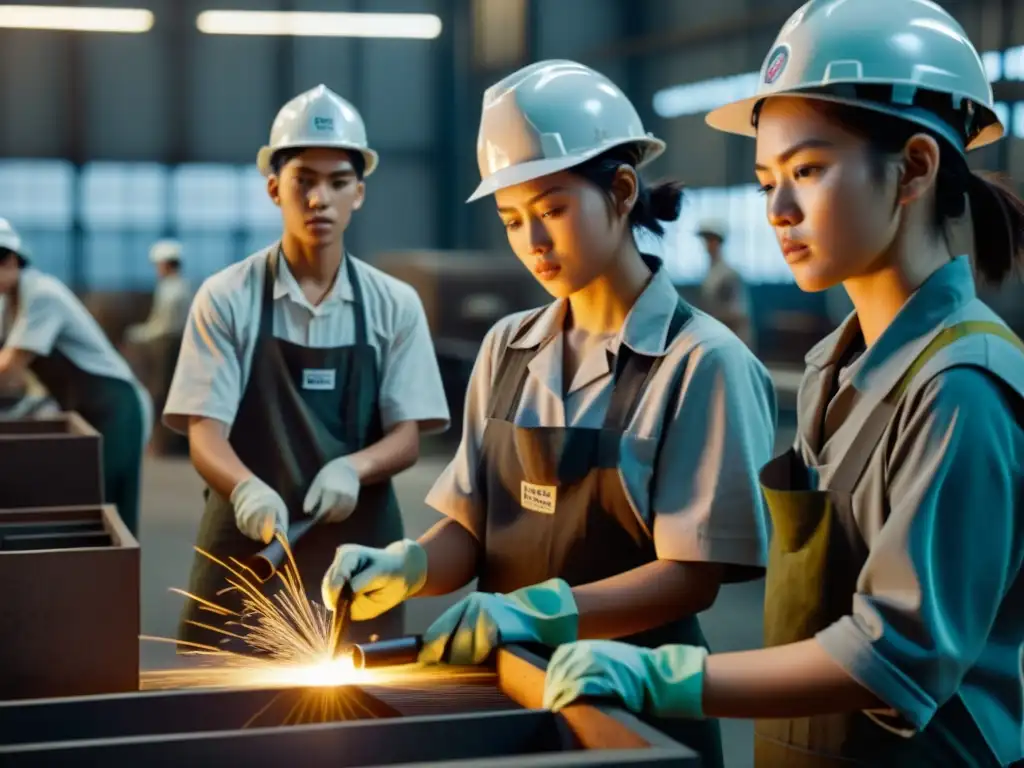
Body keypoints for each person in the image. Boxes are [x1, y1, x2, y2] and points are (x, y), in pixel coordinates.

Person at [542, 3, 1024, 767]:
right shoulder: (836, 363)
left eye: (808, 170)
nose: (778, 210)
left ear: (917, 168)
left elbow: (895, 658)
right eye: (768, 179)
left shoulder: (962, 388)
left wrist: (670, 674)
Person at [321, 60, 778, 768]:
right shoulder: (507, 348)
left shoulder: (700, 362)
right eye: (511, 220)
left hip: (635, 718)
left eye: (553, 210)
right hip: (503, 703)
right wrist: (408, 563)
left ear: (622, 191)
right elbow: (473, 531)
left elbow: (694, 574)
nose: (532, 242)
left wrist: (532, 612)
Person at [163, 84, 449, 650]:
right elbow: (204, 432)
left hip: (358, 550)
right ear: (275, 189)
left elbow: (408, 436)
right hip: (251, 545)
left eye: (338, 182)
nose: (321, 199)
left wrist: (354, 468)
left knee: (358, 704)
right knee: (225, 708)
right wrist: (245, 489)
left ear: (359, 193)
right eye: (304, 181)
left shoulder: (393, 304)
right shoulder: (227, 297)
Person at [0, 217, 152, 534]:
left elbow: (10, 369)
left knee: (107, 511)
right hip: (85, 409)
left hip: (117, 408)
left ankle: (116, 583)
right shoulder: (9, 304)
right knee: (86, 508)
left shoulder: (42, 294)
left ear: (11, 260)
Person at [696, 218, 754, 348]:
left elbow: (737, 313)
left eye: (710, 240)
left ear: (718, 242)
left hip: (732, 340)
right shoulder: (711, 273)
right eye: (705, 240)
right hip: (717, 338)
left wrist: (705, 319)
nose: (707, 244)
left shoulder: (728, 274)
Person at [124, 239, 192, 345]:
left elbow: (164, 327)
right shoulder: (181, 286)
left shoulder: (172, 290)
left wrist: (143, 334)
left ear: (166, 264)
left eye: (158, 265)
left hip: (169, 342)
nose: (157, 269)